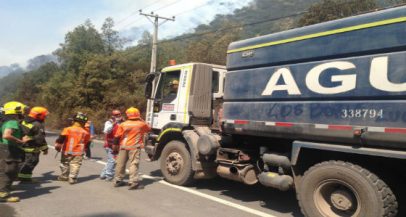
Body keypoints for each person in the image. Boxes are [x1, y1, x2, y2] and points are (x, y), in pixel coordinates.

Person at [113, 107, 151, 190]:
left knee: (120, 164)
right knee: (134, 163)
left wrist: (114, 148)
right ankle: (133, 182)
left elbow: (116, 137)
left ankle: (118, 181)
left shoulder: (123, 124)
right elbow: (148, 128)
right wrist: (141, 119)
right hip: (134, 147)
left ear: (127, 115)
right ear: (138, 114)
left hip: (123, 146)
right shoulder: (141, 124)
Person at [0, 101, 30, 202]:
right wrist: (21, 141)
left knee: (4, 169)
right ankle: (3, 194)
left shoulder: (5, 121)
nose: (23, 112)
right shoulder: (12, 122)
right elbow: (6, 135)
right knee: (10, 171)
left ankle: (4, 189)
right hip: (10, 149)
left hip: (4, 148)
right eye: (22, 110)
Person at [54, 112, 90, 184]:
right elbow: (87, 142)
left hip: (67, 151)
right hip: (79, 152)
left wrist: (58, 146)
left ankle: (64, 177)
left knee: (65, 163)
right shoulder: (86, 132)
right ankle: (72, 178)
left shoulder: (68, 129)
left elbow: (61, 139)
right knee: (75, 164)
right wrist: (85, 150)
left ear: (74, 121)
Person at [18, 106, 49, 183]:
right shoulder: (38, 124)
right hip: (32, 148)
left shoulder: (23, 121)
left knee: (22, 161)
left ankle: (18, 176)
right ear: (38, 115)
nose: (45, 117)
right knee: (31, 162)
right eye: (44, 115)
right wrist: (45, 149)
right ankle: (25, 178)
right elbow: (40, 139)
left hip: (21, 146)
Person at [100, 109, 123, 181]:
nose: (118, 116)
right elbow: (106, 131)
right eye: (116, 115)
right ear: (113, 115)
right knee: (112, 160)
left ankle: (103, 174)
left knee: (111, 160)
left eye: (119, 114)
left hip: (117, 145)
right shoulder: (109, 122)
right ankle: (109, 176)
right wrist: (113, 124)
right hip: (109, 144)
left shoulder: (122, 123)